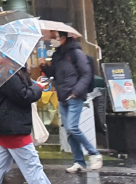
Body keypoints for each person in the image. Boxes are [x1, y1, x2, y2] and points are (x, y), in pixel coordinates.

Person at [42, 30, 102, 172]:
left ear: (63, 38)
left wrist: (76, 92)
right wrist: (44, 66)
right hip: (63, 96)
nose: (52, 40)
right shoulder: (58, 55)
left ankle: (94, 154)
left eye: (54, 37)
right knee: (69, 131)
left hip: (74, 95)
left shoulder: (76, 53)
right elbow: (53, 74)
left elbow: (86, 73)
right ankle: (79, 162)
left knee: (72, 127)